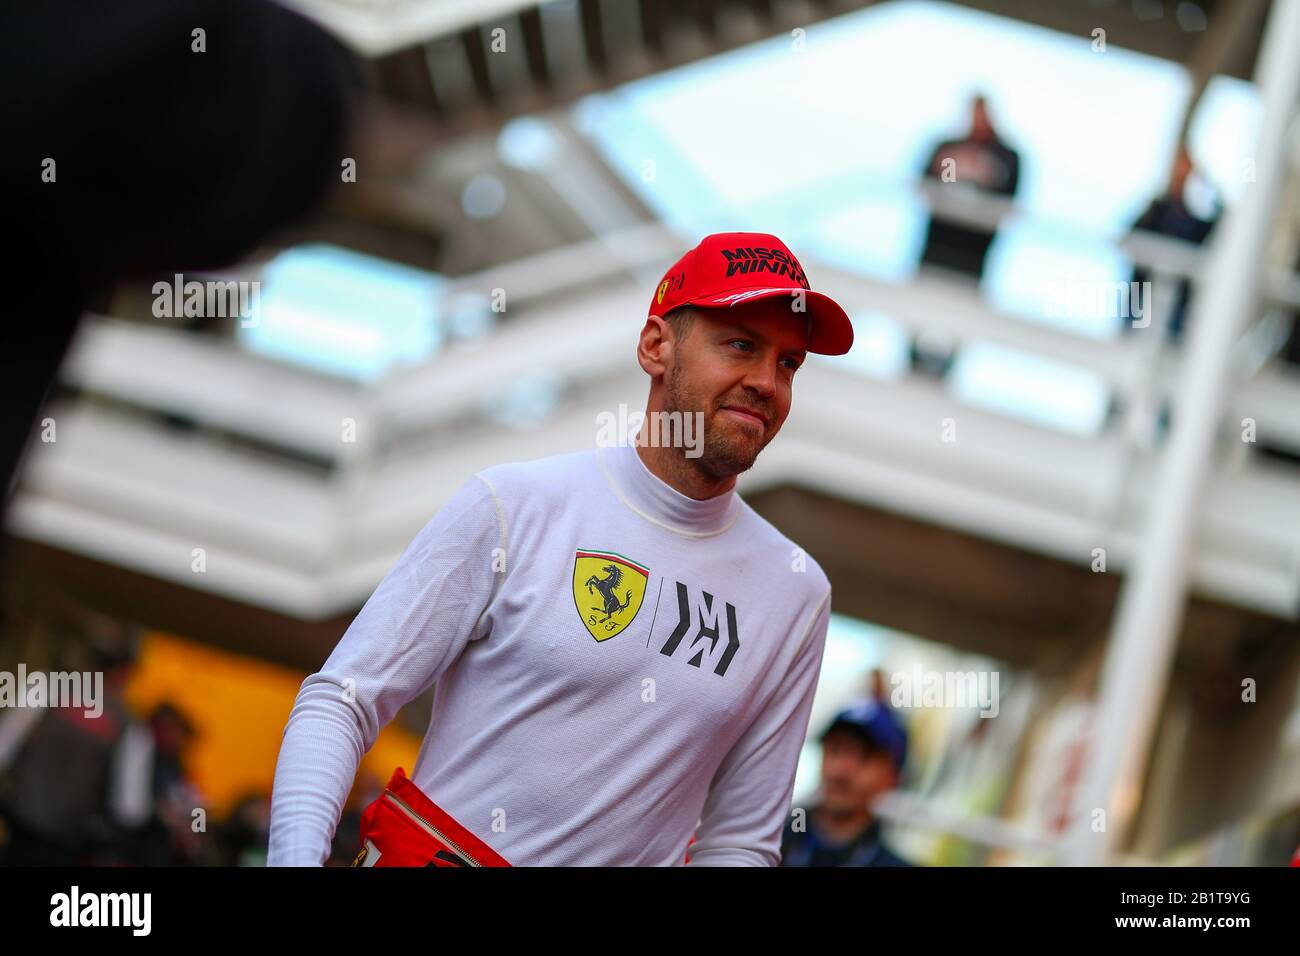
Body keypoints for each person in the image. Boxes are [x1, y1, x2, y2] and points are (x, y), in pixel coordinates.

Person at [268, 232, 854, 866]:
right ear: (656, 346)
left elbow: (740, 841)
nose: (767, 382)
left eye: (789, 363)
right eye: (741, 344)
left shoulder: (795, 591)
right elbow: (343, 699)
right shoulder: (514, 503)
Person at [780, 700, 912, 867]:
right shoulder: (763, 838)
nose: (841, 770)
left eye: (864, 756)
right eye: (835, 749)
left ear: (893, 777)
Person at [919, 94, 1021, 279]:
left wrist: (984, 172)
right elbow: (931, 182)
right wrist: (958, 169)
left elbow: (1007, 196)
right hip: (940, 238)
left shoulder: (1007, 156)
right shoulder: (948, 147)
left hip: (975, 247)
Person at [1126, 145, 1219, 341]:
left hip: (1176, 309)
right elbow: (1132, 239)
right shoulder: (1156, 210)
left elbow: (1215, 227)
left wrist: (1206, 185)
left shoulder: (1195, 222)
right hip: (1143, 301)